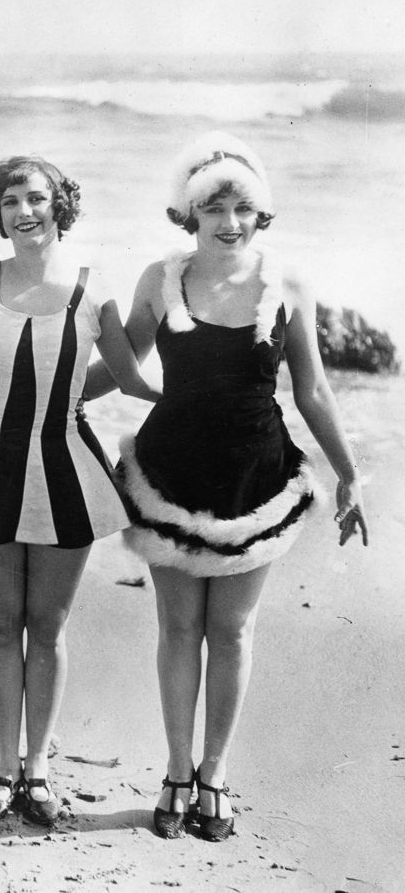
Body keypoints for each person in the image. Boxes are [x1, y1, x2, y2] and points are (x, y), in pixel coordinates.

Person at [97, 132, 368, 840]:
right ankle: (177, 770)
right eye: (212, 207)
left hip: (257, 474)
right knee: (178, 627)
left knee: (233, 628)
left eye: (242, 207)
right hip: (170, 471)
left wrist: (349, 474)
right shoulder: (161, 277)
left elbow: (310, 389)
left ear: (260, 213)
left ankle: (215, 772)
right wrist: (49, 386)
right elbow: (123, 368)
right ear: (189, 213)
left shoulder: (290, 284)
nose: (229, 222)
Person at [0, 155, 159, 825]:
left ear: (59, 206)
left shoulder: (94, 290)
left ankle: (37, 769)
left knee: (47, 626)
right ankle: (5, 770)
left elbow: (128, 380)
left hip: (70, 469)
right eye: (10, 201)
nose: (24, 212)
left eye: (37, 199)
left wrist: (219, 396)